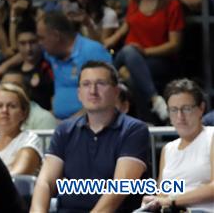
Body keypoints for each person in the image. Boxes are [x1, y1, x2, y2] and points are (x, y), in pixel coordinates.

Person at [30, 61, 149, 213]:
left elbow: (120, 188)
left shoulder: (134, 129)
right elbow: (45, 182)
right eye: (86, 84)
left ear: (116, 91)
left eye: (101, 83)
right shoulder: (65, 130)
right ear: (79, 93)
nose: (93, 91)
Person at [112, 0, 184, 122]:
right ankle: (155, 100)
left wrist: (144, 51)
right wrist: (111, 39)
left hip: (159, 59)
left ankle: (146, 121)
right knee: (126, 54)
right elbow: (127, 25)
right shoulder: (134, 1)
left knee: (132, 75)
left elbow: (174, 44)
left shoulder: (172, 4)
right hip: (129, 55)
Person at [141, 78, 214, 212]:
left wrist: (172, 200)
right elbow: (162, 194)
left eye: (186, 109)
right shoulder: (168, 149)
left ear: (201, 108)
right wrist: (154, 201)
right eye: (173, 110)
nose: (180, 116)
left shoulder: (211, 136)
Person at [36, 10, 112, 120]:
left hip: (90, 124)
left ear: (56, 36)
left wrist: (72, 123)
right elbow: (25, 53)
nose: (39, 43)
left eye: (42, 38)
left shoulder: (92, 51)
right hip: (59, 123)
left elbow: (106, 95)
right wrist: (3, 67)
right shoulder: (52, 53)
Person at [0, 83, 42, 176]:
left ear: (24, 113)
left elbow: (16, 175)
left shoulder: (29, 139)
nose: (4, 110)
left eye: (12, 106)